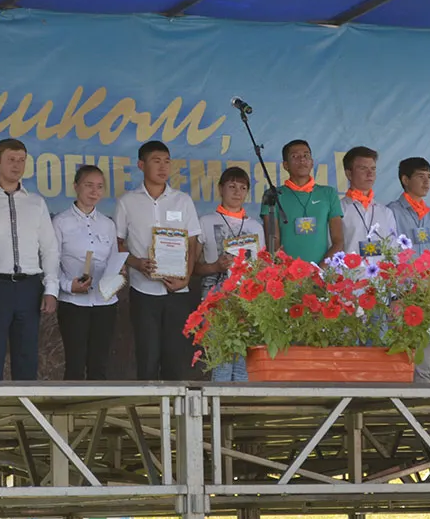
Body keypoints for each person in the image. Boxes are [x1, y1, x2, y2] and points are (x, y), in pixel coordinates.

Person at [0, 138, 59, 381]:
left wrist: (51, 289)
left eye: (21, 160)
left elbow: (49, 248)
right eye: (11, 160)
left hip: (29, 286)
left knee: (27, 356)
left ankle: (24, 405)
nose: (17, 165)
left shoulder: (36, 202)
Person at [116, 140, 201, 381]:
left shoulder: (182, 200)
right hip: (143, 291)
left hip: (178, 291)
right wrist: (136, 263)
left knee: (175, 357)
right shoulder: (127, 202)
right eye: (156, 161)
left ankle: (173, 405)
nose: (163, 167)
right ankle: (148, 404)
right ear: (141, 165)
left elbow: (193, 242)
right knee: (147, 356)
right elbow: (118, 243)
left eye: (167, 161)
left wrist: (186, 278)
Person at [194, 166, 265, 381]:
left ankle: (240, 402)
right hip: (215, 298)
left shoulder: (255, 226)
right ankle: (221, 402)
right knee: (222, 361)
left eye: (242, 188)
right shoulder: (205, 221)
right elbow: (193, 267)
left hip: (246, 299)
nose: (237, 192)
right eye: (232, 186)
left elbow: (261, 268)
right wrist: (216, 267)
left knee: (243, 362)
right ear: (220, 189)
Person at [53, 164, 120, 381]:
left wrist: (117, 276)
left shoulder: (108, 224)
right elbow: (51, 263)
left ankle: (97, 403)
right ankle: (71, 403)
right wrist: (68, 285)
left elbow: (114, 260)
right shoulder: (61, 222)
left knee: (99, 364)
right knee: (75, 363)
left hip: (105, 303)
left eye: (99, 187)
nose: (94, 191)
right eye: (88, 185)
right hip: (73, 303)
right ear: (76, 186)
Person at [386, 157, 430, 383]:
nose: (427, 182)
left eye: (429, 177)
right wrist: (395, 294)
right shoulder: (391, 212)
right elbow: (388, 255)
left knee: (424, 362)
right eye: (421, 177)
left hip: (426, 296)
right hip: (401, 294)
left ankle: (421, 403)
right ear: (405, 179)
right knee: (400, 356)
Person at [262, 140, 343, 262]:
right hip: (286, 272)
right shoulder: (272, 195)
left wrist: (321, 270)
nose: (302, 160)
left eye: (306, 155)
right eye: (295, 156)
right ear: (285, 165)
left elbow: (338, 241)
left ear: (312, 162)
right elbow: (273, 243)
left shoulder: (328, 193)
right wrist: (285, 270)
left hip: (322, 271)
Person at [339, 146, 399, 258]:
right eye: (363, 168)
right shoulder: (339, 210)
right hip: (350, 269)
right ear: (349, 174)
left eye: (373, 169)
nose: (370, 173)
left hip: (380, 269)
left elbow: (393, 250)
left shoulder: (385, 212)